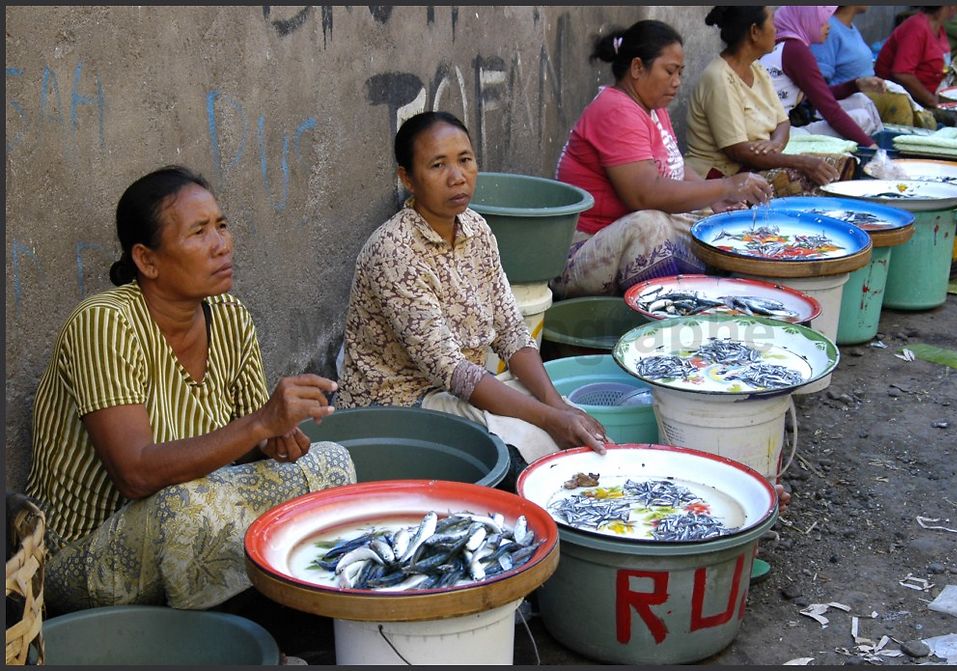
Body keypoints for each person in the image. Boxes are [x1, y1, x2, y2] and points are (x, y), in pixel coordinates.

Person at [26, 166, 356, 613]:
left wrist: (273, 440)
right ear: (147, 260)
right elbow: (135, 474)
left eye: (222, 226)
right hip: (83, 556)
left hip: (190, 510)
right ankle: (234, 633)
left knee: (329, 464)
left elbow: (241, 448)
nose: (222, 245)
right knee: (187, 512)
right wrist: (259, 421)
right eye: (199, 232)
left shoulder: (229, 314)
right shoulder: (105, 322)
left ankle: (305, 615)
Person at [337, 111, 609, 479]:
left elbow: (511, 330)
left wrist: (558, 405)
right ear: (407, 179)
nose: (457, 177)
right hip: (398, 403)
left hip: (461, 388)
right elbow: (452, 371)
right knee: (540, 446)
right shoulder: (394, 251)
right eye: (437, 165)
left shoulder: (476, 230)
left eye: (465, 160)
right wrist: (550, 419)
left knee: (580, 427)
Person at [551, 19, 772, 299]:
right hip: (579, 252)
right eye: (669, 71)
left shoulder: (653, 108)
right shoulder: (616, 110)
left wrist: (715, 199)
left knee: (719, 222)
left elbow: (676, 170)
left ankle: (727, 289)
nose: (677, 82)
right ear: (637, 68)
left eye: (680, 72)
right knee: (651, 225)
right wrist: (727, 186)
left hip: (616, 240)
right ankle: (673, 310)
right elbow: (644, 195)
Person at [686, 7, 845, 197]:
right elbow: (737, 150)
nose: (776, 28)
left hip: (753, 166)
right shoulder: (719, 78)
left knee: (836, 166)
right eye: (771, 21)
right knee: (810, 184)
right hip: (718, 177)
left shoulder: (756, 68)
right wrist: (801, 162)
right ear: (754, 31)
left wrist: (775, 144)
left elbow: (782, 121)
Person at [760, 5, 885, 147]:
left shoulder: (788, 45)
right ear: (807, 20)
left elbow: (819, 94)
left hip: (775, 130)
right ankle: (877, 159)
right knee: (862, 119)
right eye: (822, 21)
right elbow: (829, 109)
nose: (829, 26)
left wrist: (856, 85)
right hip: (773, 136)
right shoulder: (795, 50)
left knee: (860, 100)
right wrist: (871, 146)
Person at [812, 6, 938, 128]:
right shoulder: (828, 29)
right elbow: (818, 87)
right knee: (896, 101)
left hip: (863, 96)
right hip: (845, 101)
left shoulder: (850, 28)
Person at [875, 6, 957, 111]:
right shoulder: (916, 27)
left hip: (931, 93)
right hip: (904, 100)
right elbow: (902, 74)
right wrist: (932, 100)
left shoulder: (938, 27)